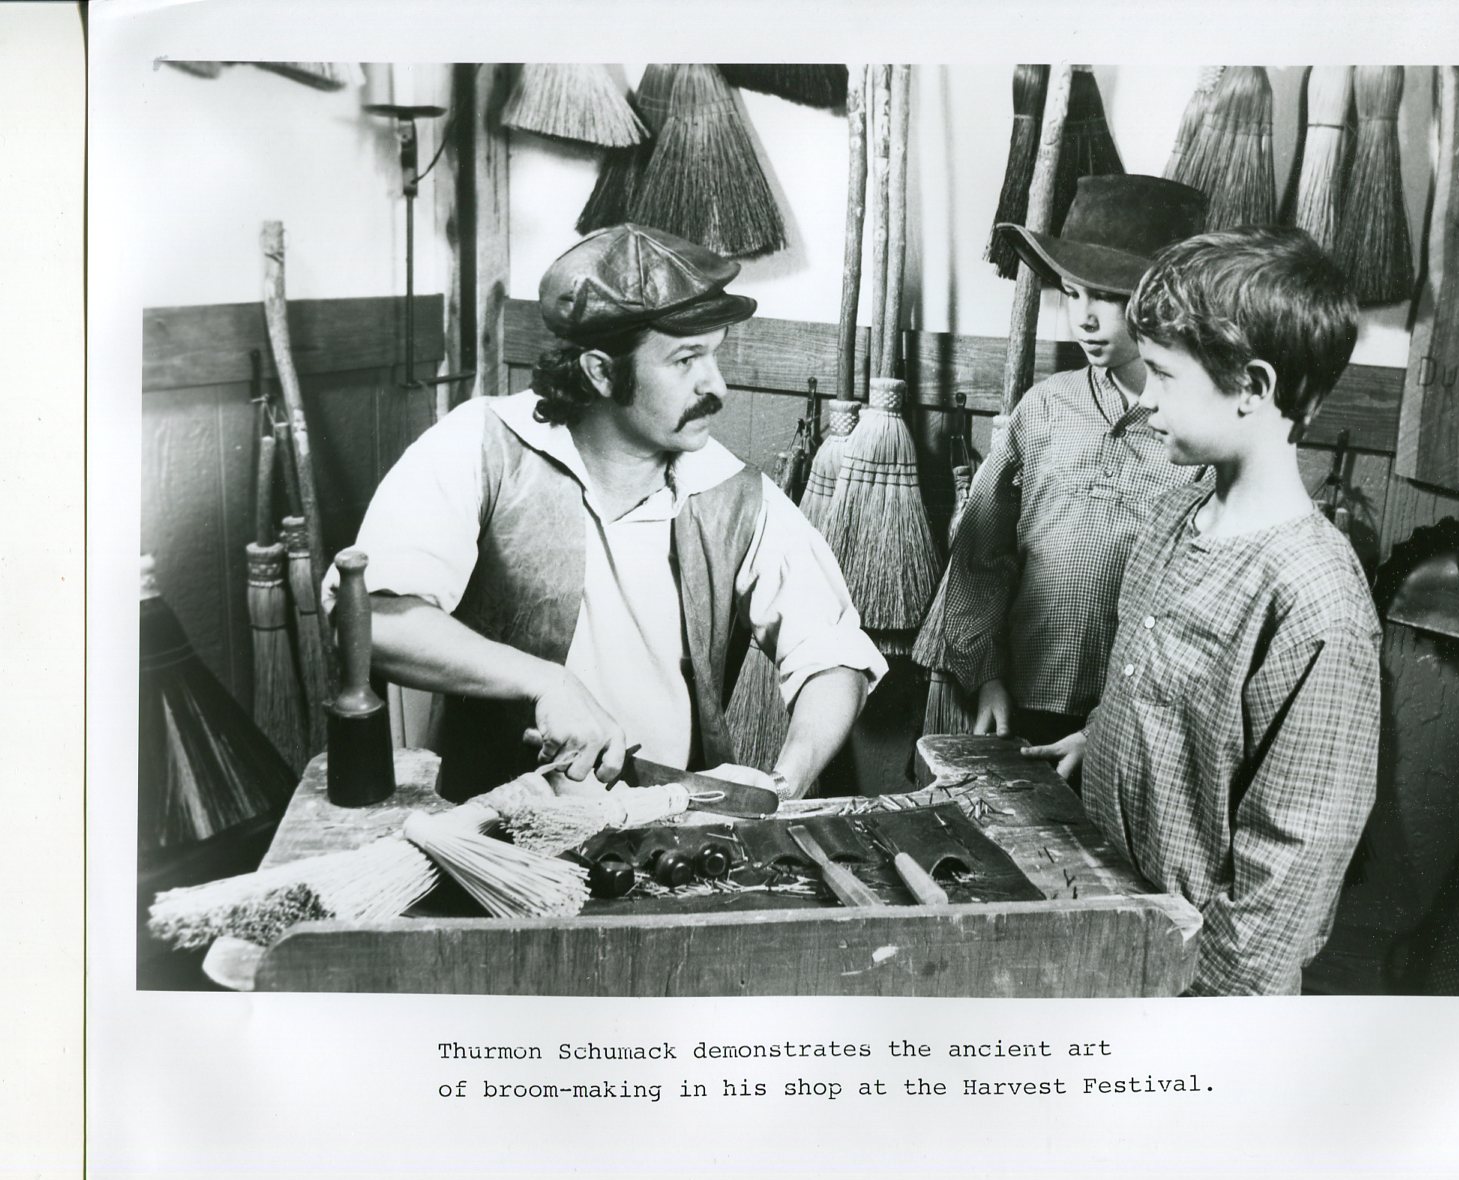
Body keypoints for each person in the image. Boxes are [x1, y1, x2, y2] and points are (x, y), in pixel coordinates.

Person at [328, 224, 887, 803]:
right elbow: (369, 622)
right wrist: (543, 682)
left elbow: (834, 653)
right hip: (490, 825)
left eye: (714, 354)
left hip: (669, 829)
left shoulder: (730, 490)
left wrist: (785, 781)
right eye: (685, 359)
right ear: (600, 371)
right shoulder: (483, 445)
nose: (717, 386)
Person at [1026, 226, 1382, 996]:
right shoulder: (1174, 517)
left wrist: (1200, 1015)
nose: (1146, 398)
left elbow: (1288, 873)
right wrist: (1107, 737)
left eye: (1162, 374)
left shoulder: (1315, 599)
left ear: (1251, 386)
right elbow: (1179, 701)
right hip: (1104, 927)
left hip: (1189, 991)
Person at [924, 175, 1211, 745]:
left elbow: (1193, 605)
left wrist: (1108, 729)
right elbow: (982, 556)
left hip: (1131, 722)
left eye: (1107, 296)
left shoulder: (1197, 435)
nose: (1083, 318)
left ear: (1167, 303)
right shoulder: (1047, 408)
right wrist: (987, 676)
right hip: (1020, 701)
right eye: (1073, 293)